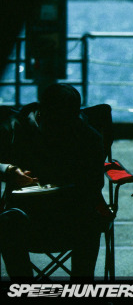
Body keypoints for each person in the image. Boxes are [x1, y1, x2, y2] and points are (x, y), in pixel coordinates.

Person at [0, 83, 106, 278]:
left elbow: (94, 183)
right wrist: (8, 170)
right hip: (25, 213)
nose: (60, 130)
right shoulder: (14, 127)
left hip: (69, 212)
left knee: (91, 219)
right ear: (42, 112)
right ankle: (23, 290)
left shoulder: (87, 136)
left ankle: (82, 291)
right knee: (7, 223)